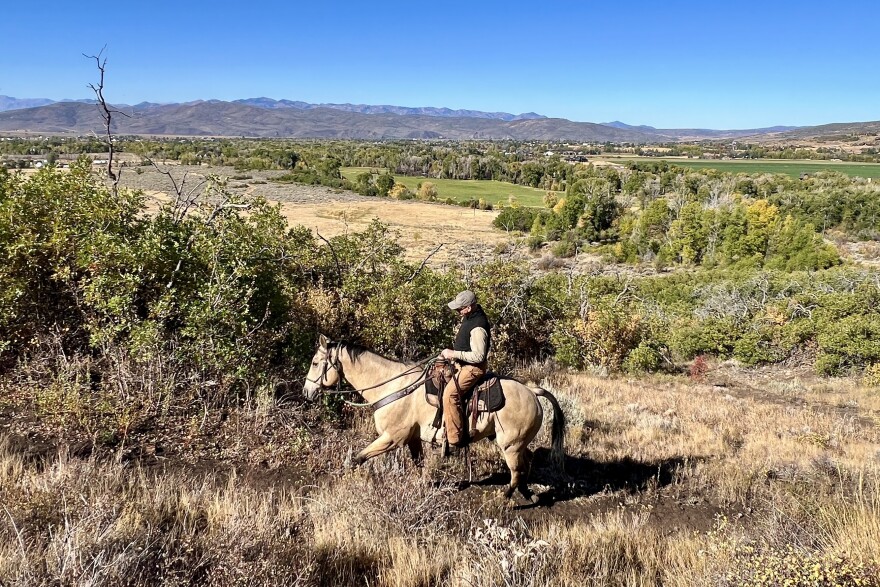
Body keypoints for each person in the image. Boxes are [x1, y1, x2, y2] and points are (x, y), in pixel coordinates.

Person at [439, 290, 491, 449]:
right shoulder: (470, 317)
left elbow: (478, 356)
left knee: (450, 394)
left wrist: (453, 353)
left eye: (459, 308)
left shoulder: (478, 326)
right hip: (462, 364)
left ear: (468, 308)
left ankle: (455, 440)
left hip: (473, 368)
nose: (457, 311)